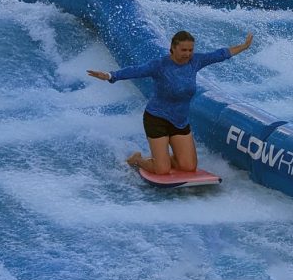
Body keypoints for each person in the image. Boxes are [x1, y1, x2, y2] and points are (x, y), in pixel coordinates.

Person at [87, 30, 253, 174]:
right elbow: (136, 71)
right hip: (157, 119)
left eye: (190, 50)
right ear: (173, 48)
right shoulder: (160, 65)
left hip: (180, 122)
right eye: (183, 50)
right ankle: (138, 160)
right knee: (162, 170)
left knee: (188, 167)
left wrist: (244, 46)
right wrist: (110, 76)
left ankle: (165, 158)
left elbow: (220, 54)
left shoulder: (195, 61)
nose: (187, 54)